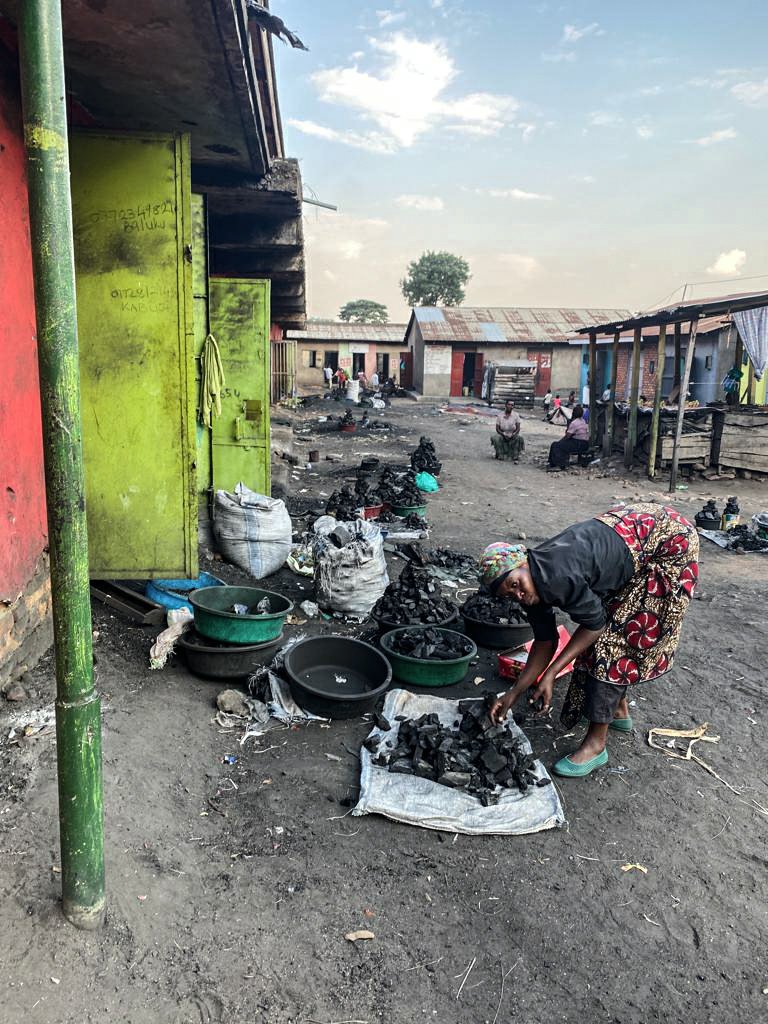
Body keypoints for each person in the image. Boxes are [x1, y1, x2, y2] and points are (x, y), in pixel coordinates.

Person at [479, 504, 699, 778]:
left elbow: (594, 627)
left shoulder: (559, 575)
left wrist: (552, 673)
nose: (518, 595)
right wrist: (513, 693)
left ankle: (596, 745)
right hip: (633, 534)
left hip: (668, 544)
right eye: (509, 595)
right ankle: (617, 710)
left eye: (515, 584)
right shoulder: (531, 586)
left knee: (612, 648)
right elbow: (545, 641)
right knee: (608, 622)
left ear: (523, 563)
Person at [548, 403, 588, 470]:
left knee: (556, 445)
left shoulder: (574, 423)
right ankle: (557, 463)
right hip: (585, 444)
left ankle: (558, 464)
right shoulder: (583, 421)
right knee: (560, 445)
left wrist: (560, 442)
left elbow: (567, 436)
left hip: (578, 444)